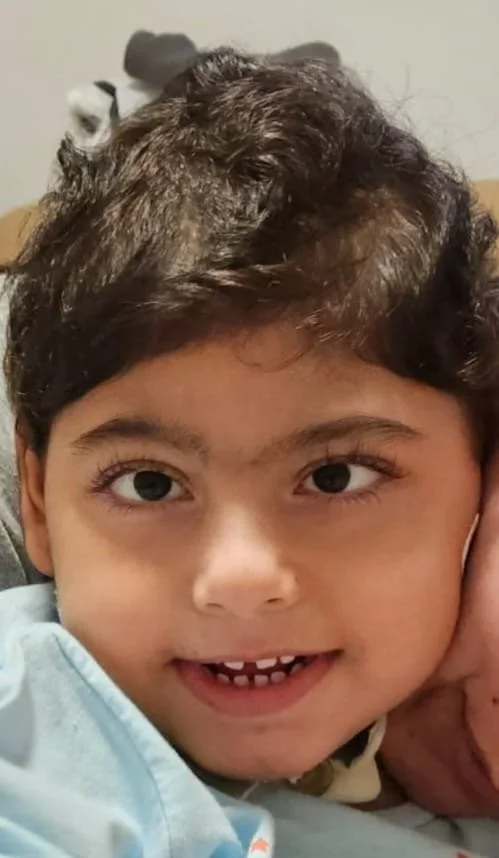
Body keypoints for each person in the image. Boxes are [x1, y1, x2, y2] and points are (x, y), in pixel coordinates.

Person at [0, 47, 498, 856]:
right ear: (38, 501)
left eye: (335, 476)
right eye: (151, 485)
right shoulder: (30, 736)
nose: (239, 580)